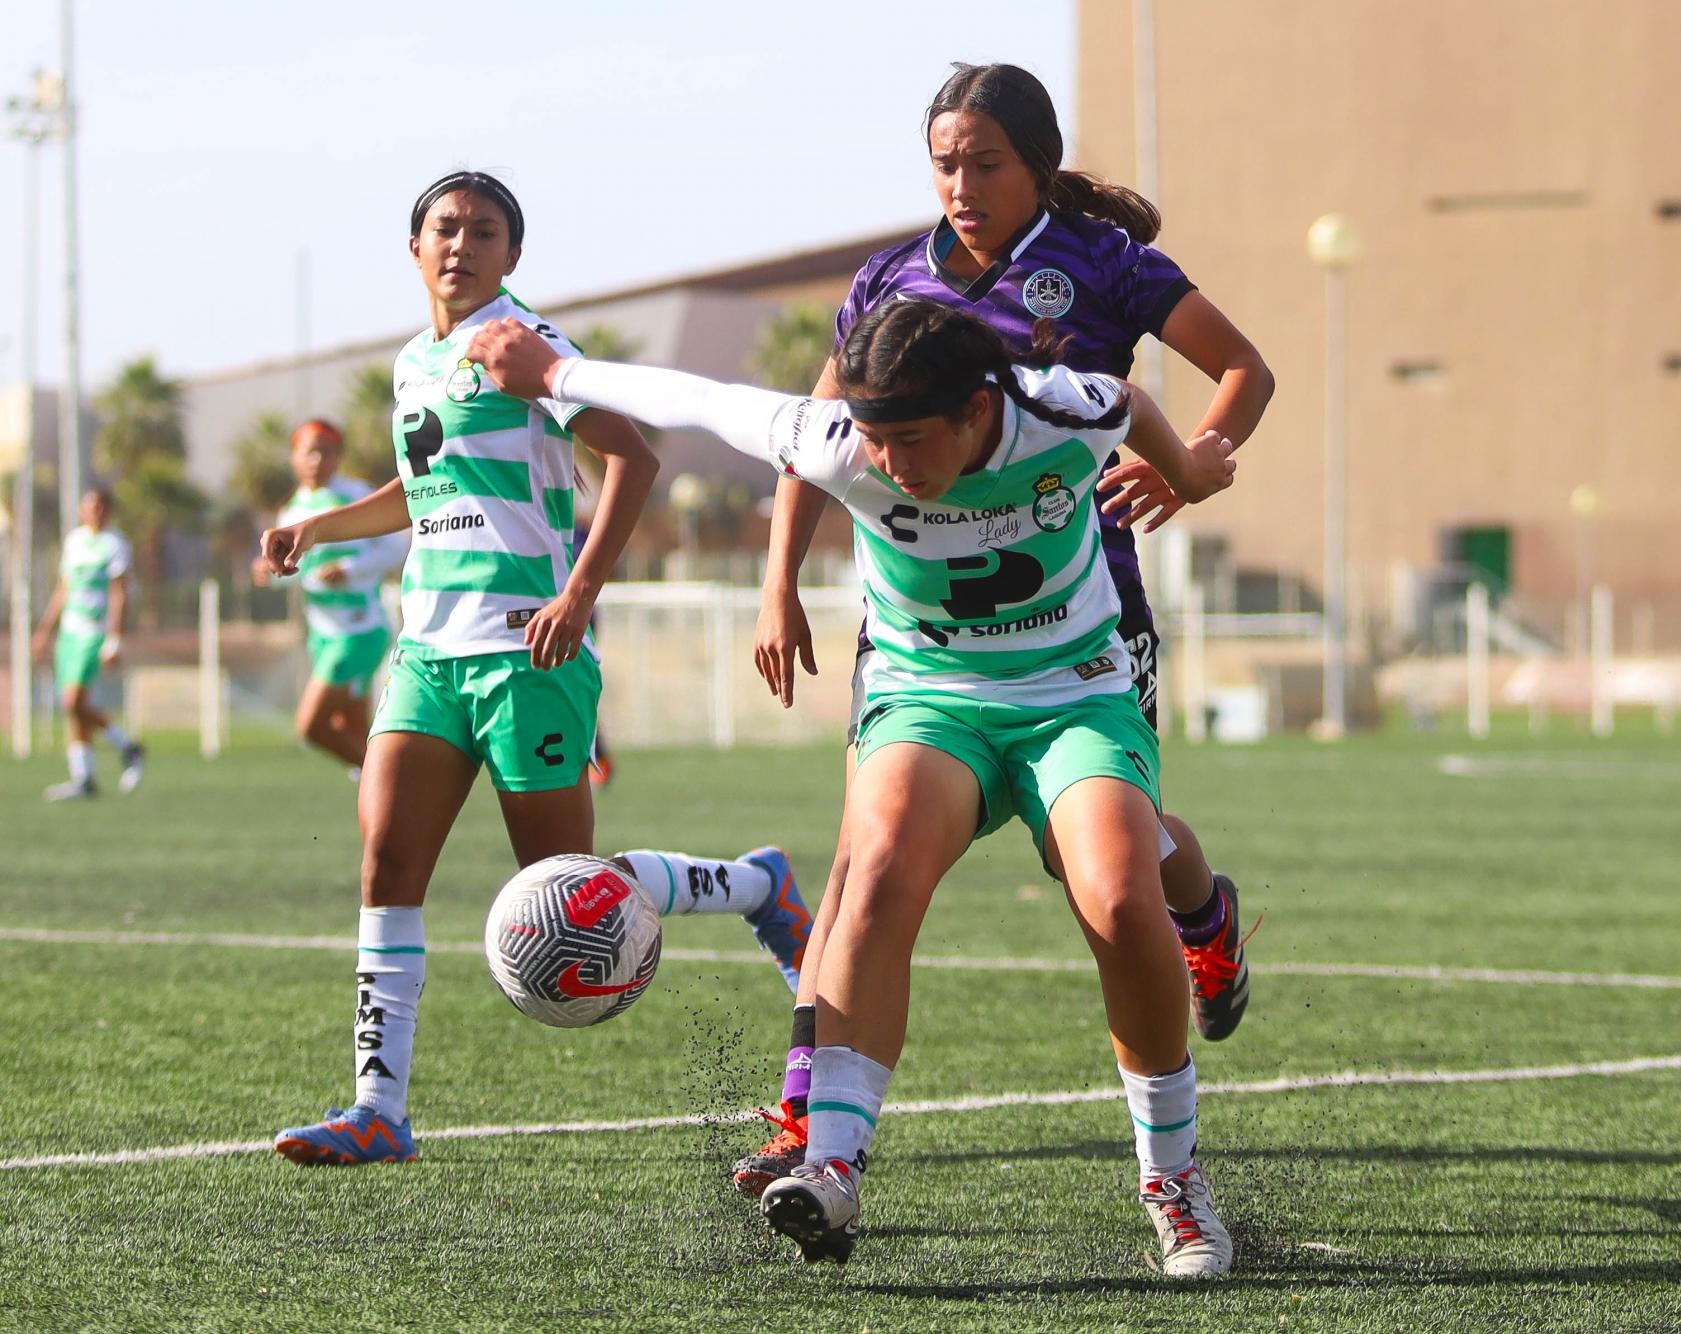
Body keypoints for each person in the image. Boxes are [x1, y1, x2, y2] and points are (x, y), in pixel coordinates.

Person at [469, 296, 1241, 1275]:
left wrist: (1188, 469)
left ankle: (1170, 1180)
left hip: (1071, 694)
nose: (889, 466)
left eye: (912, 441)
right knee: (871, 875)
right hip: (928, 699)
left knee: (1121, 894)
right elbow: (700, 399)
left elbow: (1129, 400)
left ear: (977, 409)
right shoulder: (836, 441)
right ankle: (830, 1169)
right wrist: (551, 374)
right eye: (875, 442)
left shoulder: (1063, 408)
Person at [741, 62, 1275, 1195]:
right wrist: (777, 577)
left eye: (984, 162)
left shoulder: (1104, 265)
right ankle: (809, 1123)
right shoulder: (888, 279)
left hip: (1083, 606)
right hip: (924, 628)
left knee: (1101, 861)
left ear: (1036, 162)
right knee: (861, 860)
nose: (961, 185)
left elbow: (1240, 369)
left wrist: (1179, 474)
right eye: (943, 164)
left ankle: (1203, 910)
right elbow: (818, 430)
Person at [262, 171, 811, 1167]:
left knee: (564, 889)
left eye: (483, 231)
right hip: (429, 652)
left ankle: (754, 886)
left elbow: (632, 458)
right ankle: (378, 1107)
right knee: (386, 862)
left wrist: (581, 592)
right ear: (414, 247)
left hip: (529, 651)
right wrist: (319, 524)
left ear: (513, 255)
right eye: (443, 228)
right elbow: (422, 485)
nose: (460, 244)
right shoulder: (411, 363)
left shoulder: (530, 345)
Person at [253, 420, 407, 770]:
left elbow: (395, 549)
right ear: (294, 457)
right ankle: (387, 805)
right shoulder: (291, 511)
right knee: (352, 730)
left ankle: (393, 787)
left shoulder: (354, 494)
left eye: (328, 451)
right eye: (310, 450)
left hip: (359, 630)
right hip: (323, 634)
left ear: (339, 457)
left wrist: (349, 570)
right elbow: (296, 576)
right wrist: (270, 573)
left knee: (311, 727)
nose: (318, 459)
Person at [32, 485, 145, 800]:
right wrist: (44, 631)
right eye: (89, 505)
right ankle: (84, 778)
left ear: (108, 511)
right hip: (70, 633)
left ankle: (128, 747)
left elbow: (120, 593)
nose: (94, 511)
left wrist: (114, 640)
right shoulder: (75, 541)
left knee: (71, 701)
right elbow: (63, 589)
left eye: (100, 506)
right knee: (75, 708)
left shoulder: (115, 545)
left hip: (94, 632)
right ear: (82, 509)